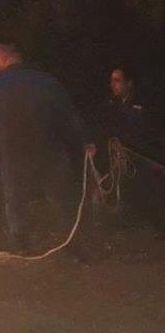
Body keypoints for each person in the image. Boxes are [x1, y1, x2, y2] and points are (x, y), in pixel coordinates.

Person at [0, 43, 93, 254]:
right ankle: (73, 244)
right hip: (49, 150)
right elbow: (69, 116)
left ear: (3, 58)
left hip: (13, 153)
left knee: (15, 200)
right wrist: (86, 141)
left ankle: (22, 246)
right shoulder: (47, 81)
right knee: (61, 198)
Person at [90, 66, 165, 248]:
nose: (112, 85)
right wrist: (94, 145)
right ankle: (162, 227)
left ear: (129, 83)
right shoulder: (112, 105)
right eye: (112, 80)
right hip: (131, 163)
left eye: (117, 80)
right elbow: (104, 129)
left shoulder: (145, 104)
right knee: (138, 198)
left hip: (153, 160)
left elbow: (157, 132)